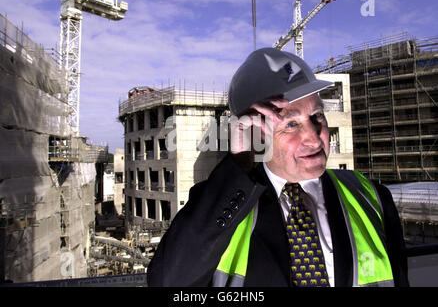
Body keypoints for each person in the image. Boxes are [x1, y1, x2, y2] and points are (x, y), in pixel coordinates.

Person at [147, 47, 409, 287]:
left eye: (317, 116)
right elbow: (168, 282)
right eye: (291, 124)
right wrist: (239, 163)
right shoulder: (224, 206)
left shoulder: (371, 196)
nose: (314, 136)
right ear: (255, 134)